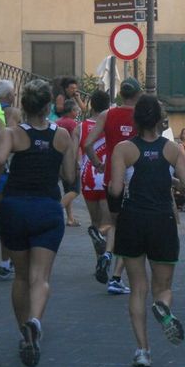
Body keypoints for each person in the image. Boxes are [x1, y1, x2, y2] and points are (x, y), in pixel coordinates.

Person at [0, 79, 75, 367]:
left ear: (23, 105)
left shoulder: (11, 133)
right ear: (48, 105)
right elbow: (68, 175)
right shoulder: (63, 135)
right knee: (41, 277)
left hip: (14, 207)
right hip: (47, 208)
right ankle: (35, 320)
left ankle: (24, 335)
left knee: (20, 276)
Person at [110, 94, 185, 367]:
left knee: (137, 288)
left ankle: (143, 350)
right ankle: (164, 308)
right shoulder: (172, 149)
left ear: (135, 119)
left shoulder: (123, 149)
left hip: (132, 220)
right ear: (160, 120)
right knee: (163, 287)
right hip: (162, 221)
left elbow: (115, 190)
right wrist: (172, 181)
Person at [85, 77, 142, 295]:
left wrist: (98, 164)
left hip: (111, 179)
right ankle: (116, 277)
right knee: (130, 231)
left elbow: (88, 143)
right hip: (136, 180)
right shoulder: (141, 114)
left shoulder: (106, 114)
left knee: (116, 223)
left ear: (121, 94)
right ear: (137, 94)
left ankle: (107, 255)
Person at [74, 90, 112, 259]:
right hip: (106, 175)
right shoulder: (110, 124)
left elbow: (74, 153)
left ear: (91, 105)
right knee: (109, 223)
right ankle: (105, 259)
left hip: (87, 177)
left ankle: (99, 259)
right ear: (108, 105)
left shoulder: (80, 128)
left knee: (95, 223)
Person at [0, 80, 20, 281]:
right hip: (2, 169)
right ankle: (5, 262)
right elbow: (10, 141)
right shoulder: (11, 112)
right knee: (7, 216)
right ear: (10, 95)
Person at [56, 99, 81, 227]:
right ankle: (55, 211)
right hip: (69, 159)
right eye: (76, 110)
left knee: (67, 190)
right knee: (75, 190)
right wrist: (77, 162)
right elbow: (75, 145)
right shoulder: (73, 124)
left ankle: (70, 218)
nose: (78, 112)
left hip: (57, 158)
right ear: (71, 111)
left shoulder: (57, 122)